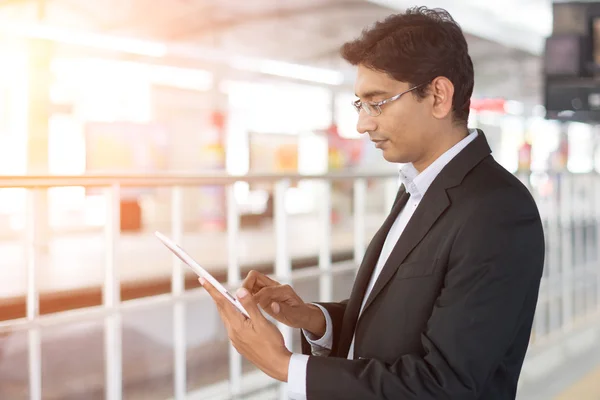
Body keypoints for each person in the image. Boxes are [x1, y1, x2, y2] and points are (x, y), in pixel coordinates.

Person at [200, 6, 545, 399]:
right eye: (359, 105)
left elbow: (446, 386)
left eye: (377, 102)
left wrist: (286, 366)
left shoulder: (497, 211)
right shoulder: (420, 186)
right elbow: (400, 318)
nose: (363, 124)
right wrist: (316, 320)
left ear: (438, 96)